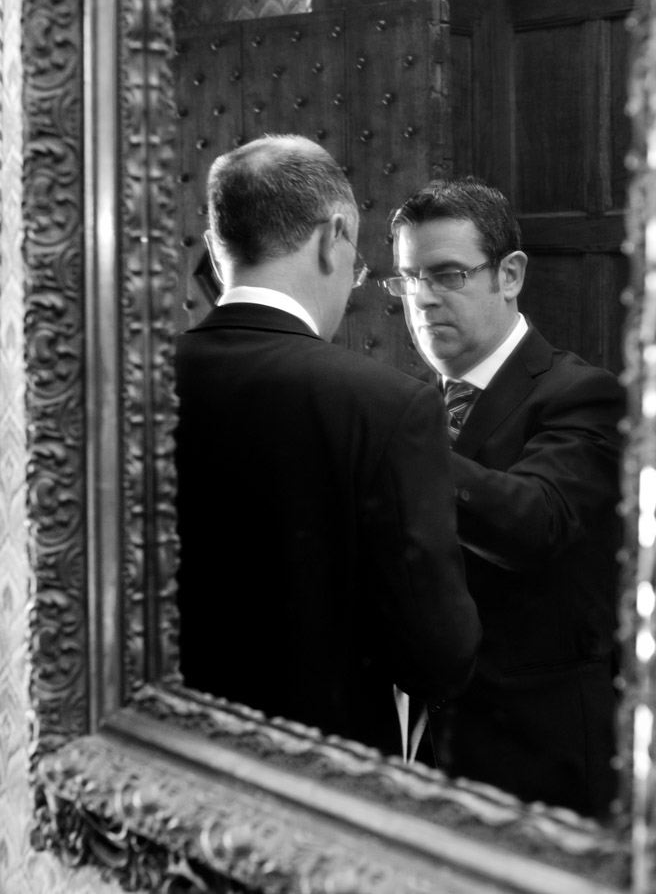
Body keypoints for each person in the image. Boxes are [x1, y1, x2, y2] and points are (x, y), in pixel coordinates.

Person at [174, 135, 481, 758]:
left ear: (214, 245)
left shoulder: (134, 384)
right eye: (359, 261)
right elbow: (438, 656)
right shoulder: (385, 406)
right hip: (318, 784)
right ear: (332, 235)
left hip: (159, 755)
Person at [385, 178, 625, 817]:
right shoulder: (409, 407)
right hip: (422, 751)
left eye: (448, 275)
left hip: (540, 759)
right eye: (408, 279)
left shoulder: (582, 394)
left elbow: (534, 522)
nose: (423, 299)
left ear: (510, 274)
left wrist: (396, 443)